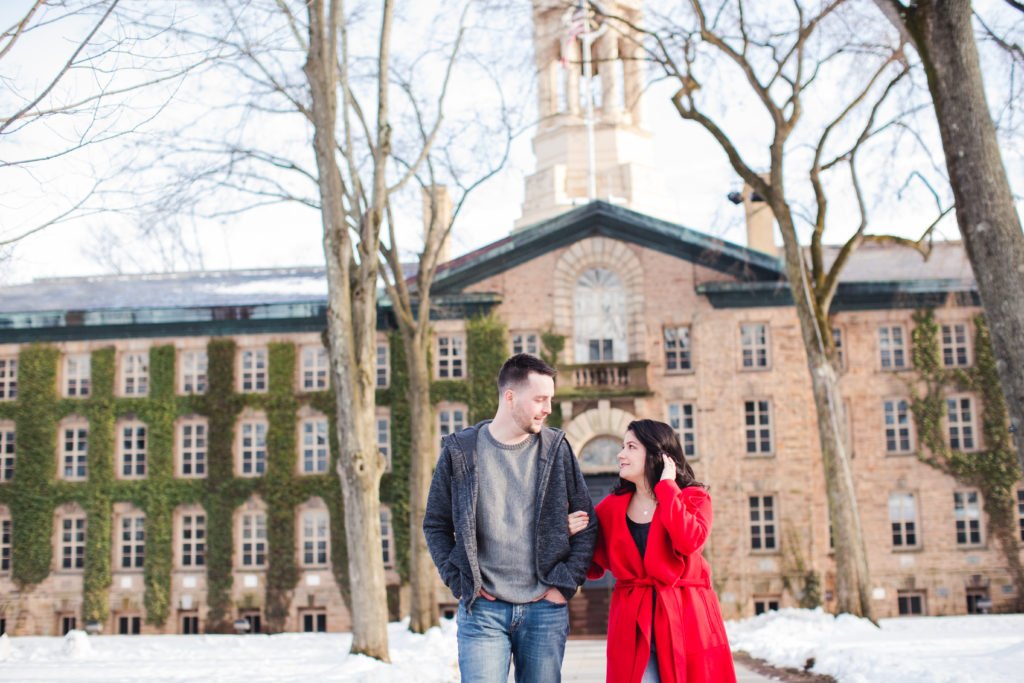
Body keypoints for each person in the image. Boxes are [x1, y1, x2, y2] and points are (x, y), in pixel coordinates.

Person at [423, 353, 598, 683]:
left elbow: (588, 523)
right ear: (510, 396)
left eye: (550, 399)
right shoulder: (461, 452)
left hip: (545, 610)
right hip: (483, 612)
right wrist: (459, 581)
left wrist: (565, 584)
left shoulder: (556, 448)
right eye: (540, 399)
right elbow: (436, 523)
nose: (547, 408)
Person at [571, 419, 736, 683]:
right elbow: (589, 561)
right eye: (623, 446)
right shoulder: (609, 509)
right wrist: (570, 533)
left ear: (657, 454)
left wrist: (668, 489)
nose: (620, 454)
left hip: (687, 615)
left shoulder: (693, 497)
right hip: (633, 620)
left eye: (631, 447)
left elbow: (689, 541)